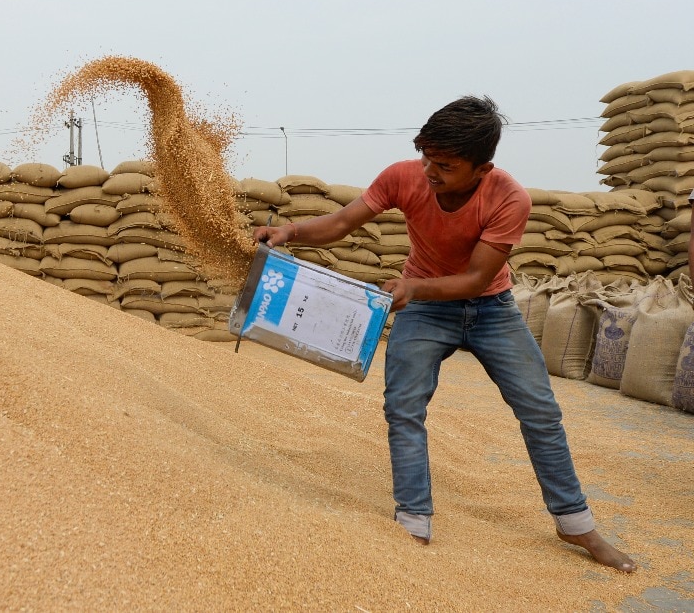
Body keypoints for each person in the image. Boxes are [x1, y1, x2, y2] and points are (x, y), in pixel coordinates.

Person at [253, 95, 637, 573]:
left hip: (490, 309)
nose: (431, 172)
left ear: (482, 168)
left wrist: (413, 287)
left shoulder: (508, 198)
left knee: (540, 410)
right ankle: (413, 517)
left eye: (446, 166)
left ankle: (574, 522)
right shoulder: (404, 177)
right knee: (403, 406)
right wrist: (289, 232)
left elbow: (477, 279)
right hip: (426, 311)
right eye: (427, 159)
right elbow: (343, 222)